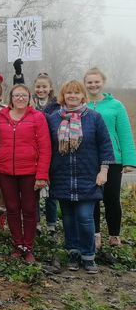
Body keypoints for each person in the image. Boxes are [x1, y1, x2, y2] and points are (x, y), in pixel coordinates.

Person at [47, 80, 114, 274]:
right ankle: (73, 253)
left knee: (85, 217)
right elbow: (47, 147)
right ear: (63, 96)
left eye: (76, 93)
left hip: (88, 176)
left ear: (82, 95)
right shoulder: (53, 118)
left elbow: (105, 146)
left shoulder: (94, 118)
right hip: (62, 176)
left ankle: (88, 255)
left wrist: (104, 171)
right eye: (69, 93)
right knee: (67, 218)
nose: (73, 96)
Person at [0, 84, 51, 263]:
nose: (20, 98)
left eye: (24, 95)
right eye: (17, 95)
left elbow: (45, 147)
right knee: (11, 209)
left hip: (29, 172)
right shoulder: (0, 117)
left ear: (29, 98)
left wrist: (42, 175)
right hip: (6, 172)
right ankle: (18, 244)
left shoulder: (37, 117)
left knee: (29, 209)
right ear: (11, 98)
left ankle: (29, 246)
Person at [84, 67, 136, 250]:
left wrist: (129, 161)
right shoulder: (82, 105)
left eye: (96, 81)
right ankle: (95, 234)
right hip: (90, 159)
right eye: (89, 82)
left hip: (113, 159)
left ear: (102, 83)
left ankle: (114, 235)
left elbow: (125, 133)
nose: (93, 85)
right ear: (85, 84)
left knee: (111, 198)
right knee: (93, 198)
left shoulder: (116, 105)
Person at [32, 72, 60, 234]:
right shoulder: (30, 104)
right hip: (34, 151)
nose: (41, 89)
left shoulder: (57, 106)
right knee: (33, 189)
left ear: (50, 88)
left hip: (53, 151)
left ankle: (51, 224)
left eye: (44, 86)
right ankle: (35, 223)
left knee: (52, 191)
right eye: (38, 86)